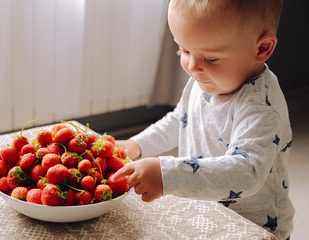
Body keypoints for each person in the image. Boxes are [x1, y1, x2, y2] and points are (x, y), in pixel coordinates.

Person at [112, 0, 294, 239]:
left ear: (261, 49)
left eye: (211, 59)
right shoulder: (205, 76)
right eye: (184, 50)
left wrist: (169, 174)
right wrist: (138, 145)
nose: (192, 66)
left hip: (251, 227)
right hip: (208, 211)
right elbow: (180, 119)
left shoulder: (261, 106)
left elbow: (247, 171)